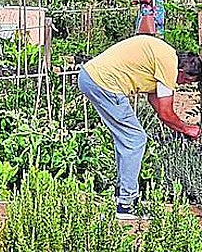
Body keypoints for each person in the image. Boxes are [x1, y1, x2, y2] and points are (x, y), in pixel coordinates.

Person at [77, 34, 202, 216]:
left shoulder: (166, 55)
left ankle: (121, 195)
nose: (181, 85)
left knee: (125, 139)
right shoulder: (169, 66)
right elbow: (166, 114)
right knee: (135, 140)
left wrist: (178, 127)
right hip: (104, 83)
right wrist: (189, 129)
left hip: (91, 77)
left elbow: (158, 105)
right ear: (183, 72)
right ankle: (126, 205)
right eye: (187, 82)